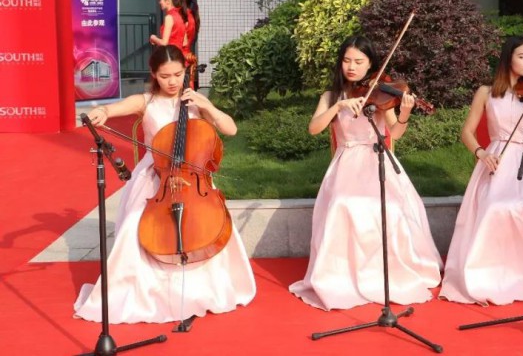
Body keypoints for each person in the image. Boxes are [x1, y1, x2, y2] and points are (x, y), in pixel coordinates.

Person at [74, 45, 256, 323]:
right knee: (136, 225)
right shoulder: (146, 101)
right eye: (165, 76)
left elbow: (231, 129)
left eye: (178, 74)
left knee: (205, 223)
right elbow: (115, 108)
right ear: (153, 74)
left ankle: (202, 290)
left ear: (186, 71)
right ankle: (142, 292)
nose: (172, 82)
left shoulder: (195, 102)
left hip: (193, 178)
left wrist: (206, 105)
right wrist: (103, 110)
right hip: (156, 178)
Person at [289, 36, 442, 310]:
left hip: (377, 159)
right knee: (343, 206)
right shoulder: (331, 96)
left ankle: (385, 272)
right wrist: (338, 106)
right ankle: (343, 272)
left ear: (371, 64)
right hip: (346, 164)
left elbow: (395, 133)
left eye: (359, 62)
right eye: (347, 61)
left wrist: (405, 113)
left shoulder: (379, 94)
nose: (352, 67)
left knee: (388, 209)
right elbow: (314, 128)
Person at [440, 35, 523, 305]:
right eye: (522, 56)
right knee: (495, 209)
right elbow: (466, 132)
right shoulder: (486, 92)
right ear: (508, 59)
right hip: (497, 160)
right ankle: (489, 275)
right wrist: (481, 154)